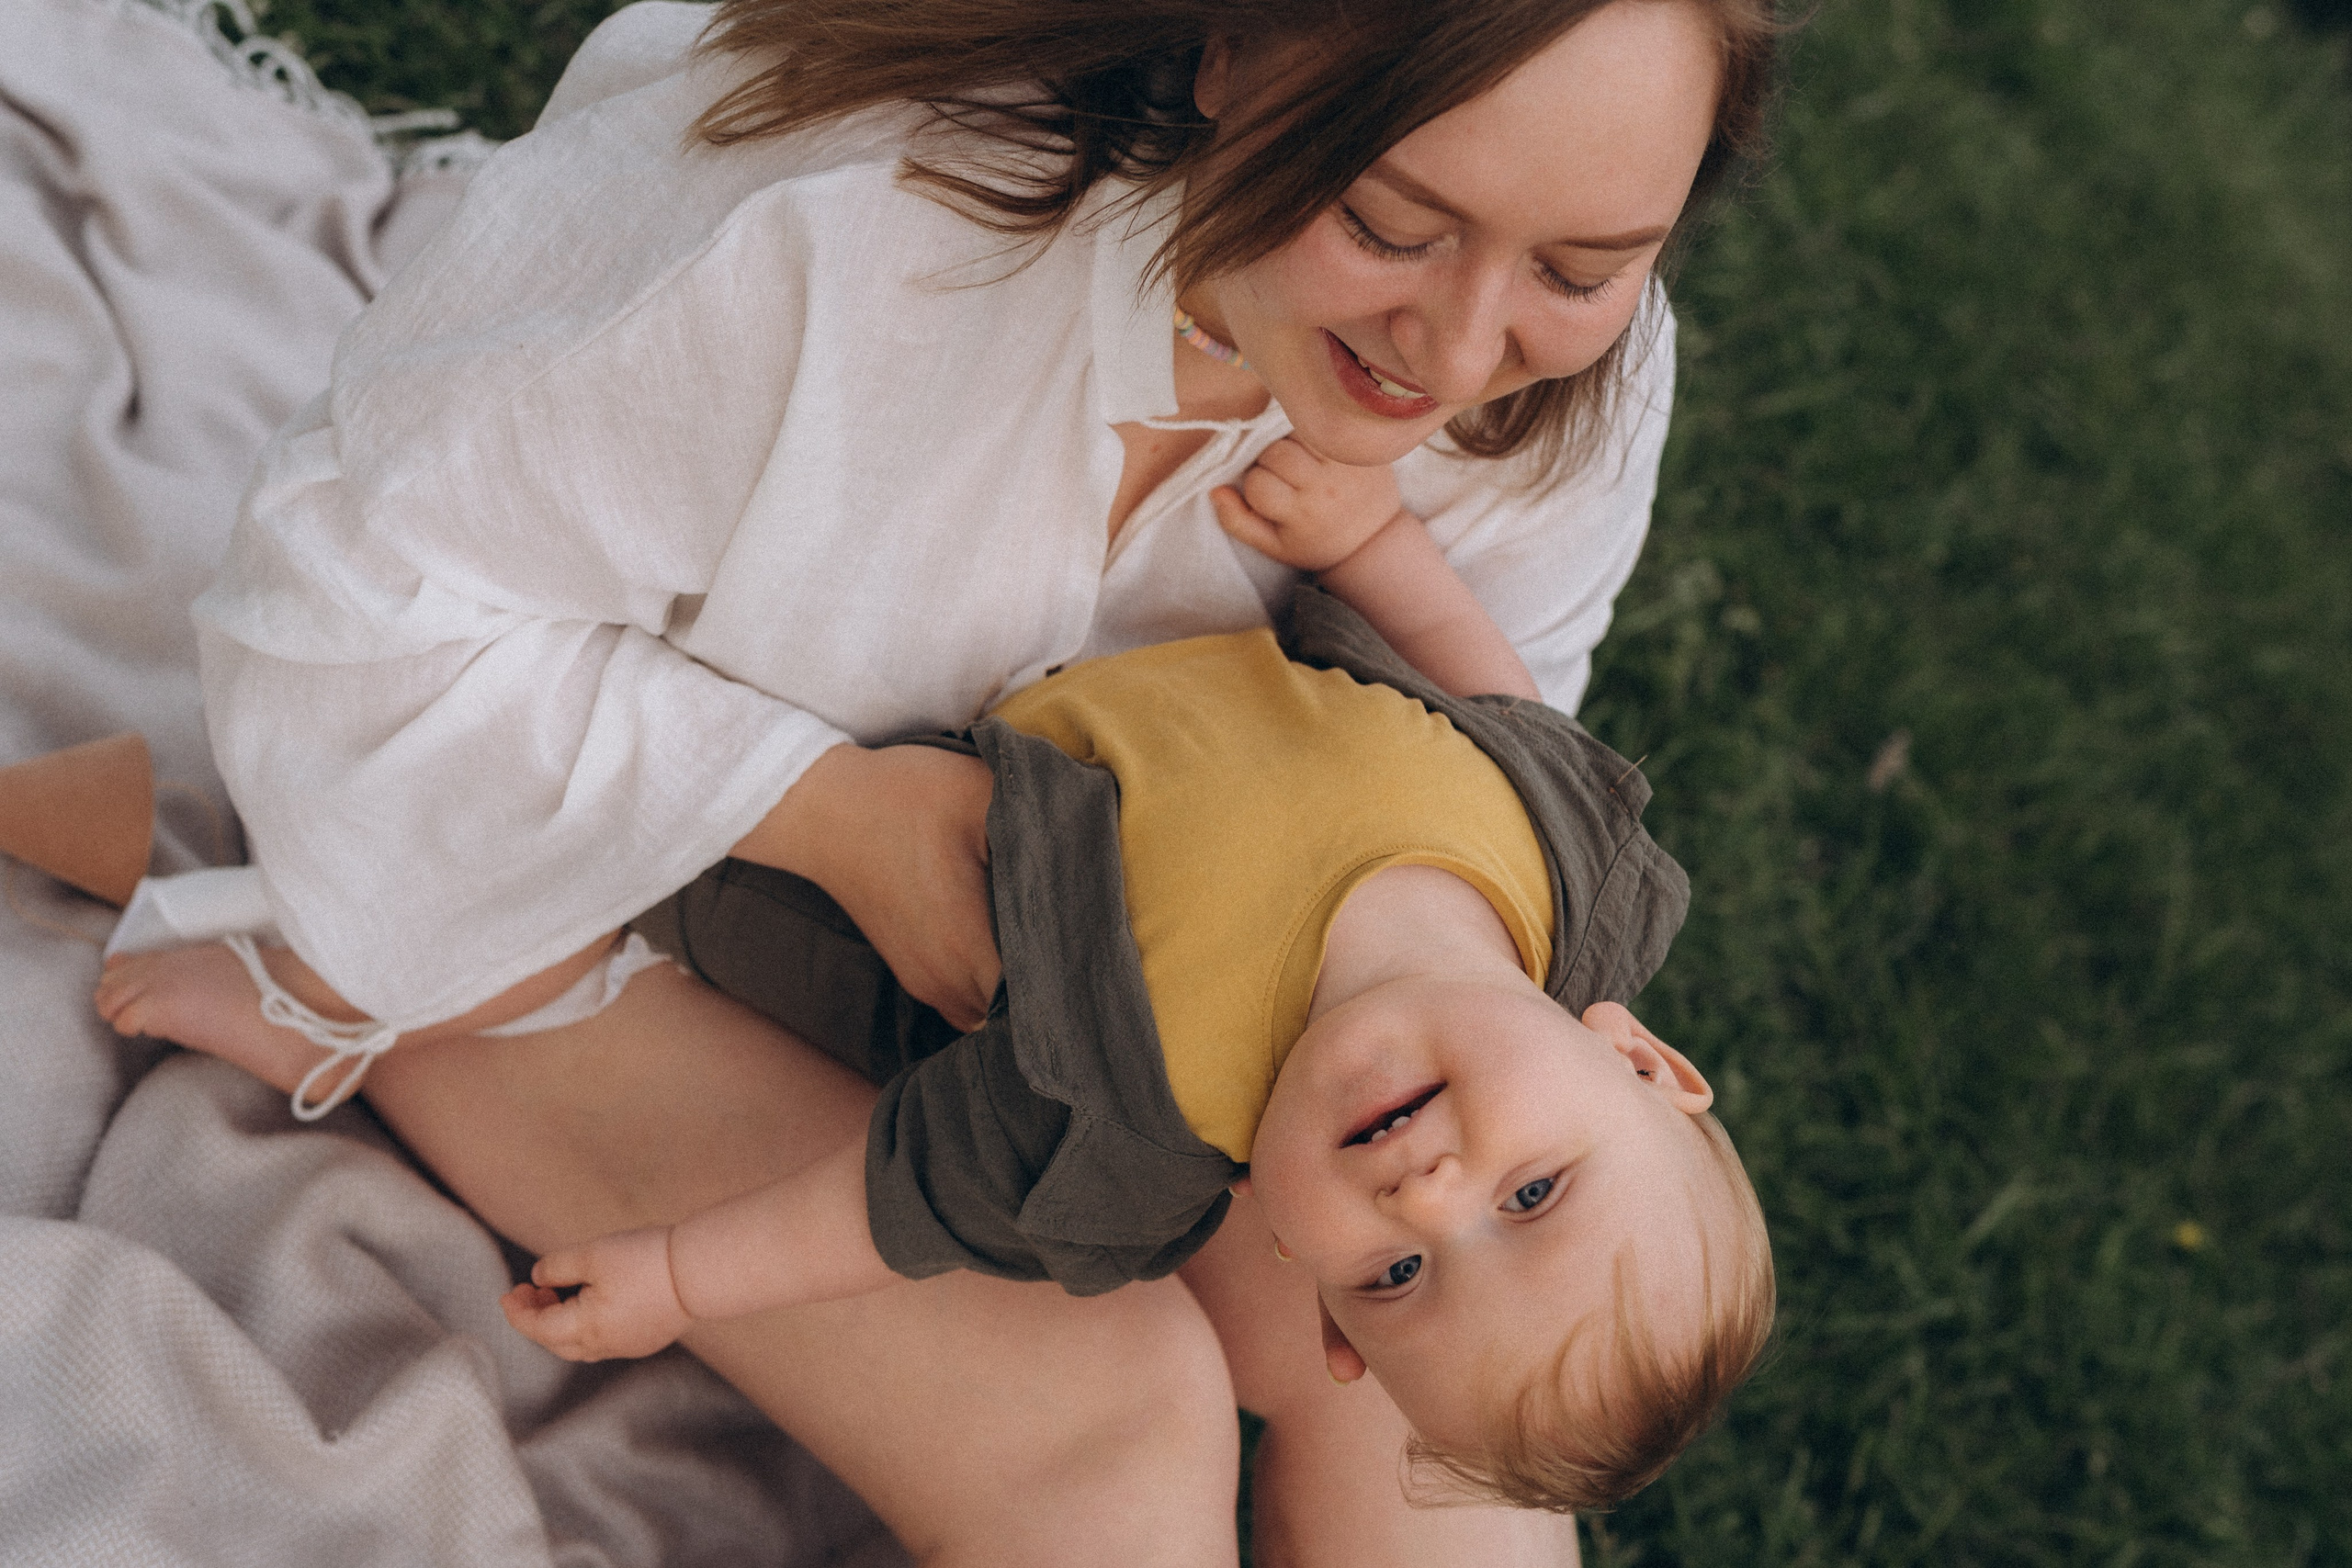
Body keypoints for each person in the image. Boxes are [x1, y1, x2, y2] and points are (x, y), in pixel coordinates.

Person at [95, 0, 1782, 1559]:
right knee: (1119, 1423)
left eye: (1581, 264)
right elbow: (341, 621)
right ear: (1238, 52)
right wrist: (832, 817)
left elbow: (1496, 747)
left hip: (1115, 1030)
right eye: (1392, 225)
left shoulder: (1565, 395)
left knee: (1449, 1386)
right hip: (612, 877)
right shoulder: (836, 228)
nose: (1466, 347)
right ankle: (342, 992)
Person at [492, 582, 1775, 1511]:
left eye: (1391, 1276)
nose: (1427, 1196)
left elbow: (892, 1204)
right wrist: (1369, 539)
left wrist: (675, 1278)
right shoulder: (1576, 878)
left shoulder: (1120, 1121)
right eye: (1533, 1195)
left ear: (1323, 1311)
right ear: (1640, 1062)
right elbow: (1494, 702)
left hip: (770, 859)